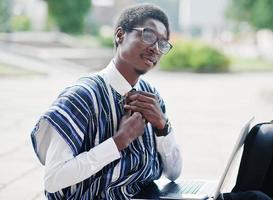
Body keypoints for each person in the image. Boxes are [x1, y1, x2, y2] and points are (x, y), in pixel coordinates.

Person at [31, 4, 182, 200]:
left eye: (162, 43)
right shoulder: (81, 98)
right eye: (148, 35)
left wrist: (162, 126)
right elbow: (53, 180)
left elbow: (174, 173)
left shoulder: (151, 96)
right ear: (120, 35)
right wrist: (118, 142)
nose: (155, 48)